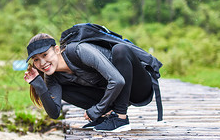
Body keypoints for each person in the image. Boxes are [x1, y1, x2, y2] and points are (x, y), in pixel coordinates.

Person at [23, 33, 154, 132]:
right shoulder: (52, 77)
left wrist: (96, 110)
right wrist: (39, 84)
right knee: (65, 90)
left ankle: (120, 119)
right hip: (114, 96)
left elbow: (117, 80)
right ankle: (105, 117)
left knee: (121, 49)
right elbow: (54, 113)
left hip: (138, 88)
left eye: (45, 55)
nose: (42, 63)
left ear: (57, 50)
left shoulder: (78, 51)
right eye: (36, 60)